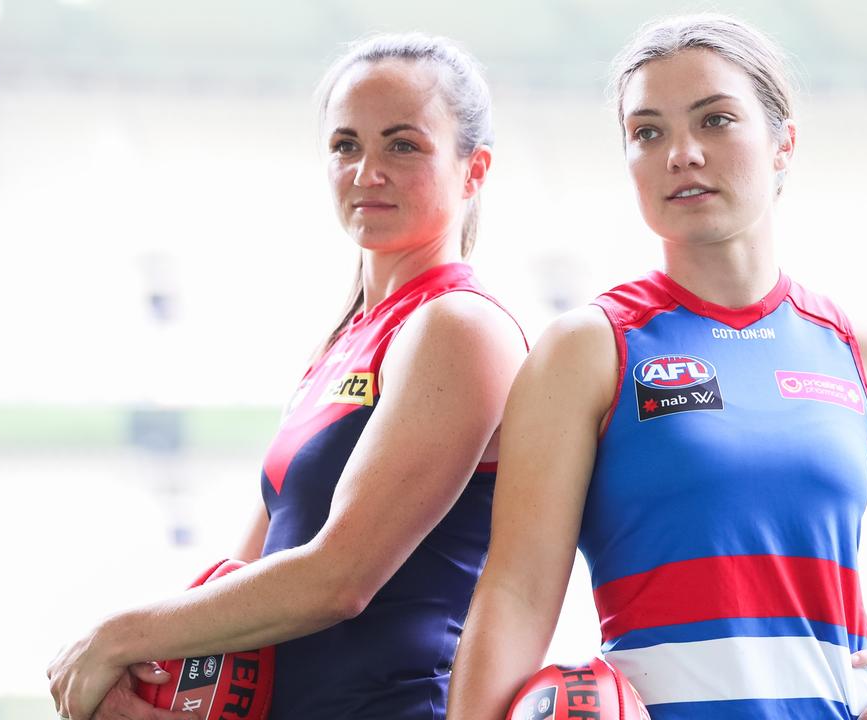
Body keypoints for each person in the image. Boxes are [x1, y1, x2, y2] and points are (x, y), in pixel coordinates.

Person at [446, 14, 867, 720]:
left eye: (714, 121)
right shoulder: (588, 349)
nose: (681, 152)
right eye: (647, 132)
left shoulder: (862, 355)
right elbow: (518, 594)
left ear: (783, 144)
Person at [47, 33, 527, 720]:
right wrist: (139, 688)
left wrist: (114, 638)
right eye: (345, 145)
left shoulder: (460, 327)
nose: (367, 171)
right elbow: (242, 577)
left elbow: (340, 579)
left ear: (473, 170)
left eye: (403, 144)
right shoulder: (347, 337)